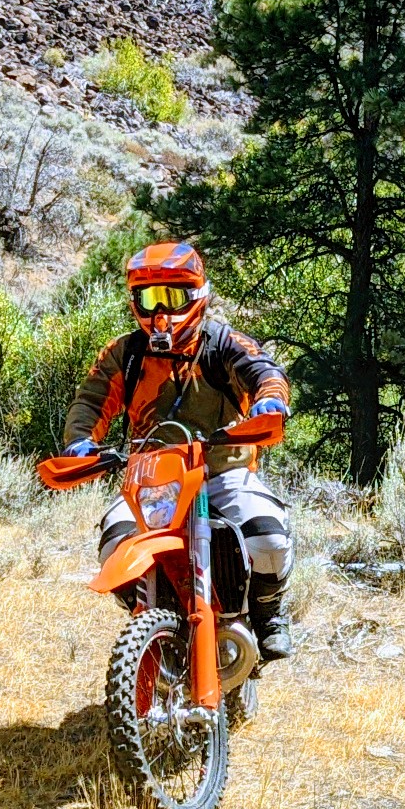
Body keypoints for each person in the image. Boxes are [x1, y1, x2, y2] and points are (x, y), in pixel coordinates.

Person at [62, 241, 295, 661]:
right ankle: (149, 624)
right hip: (153, 477)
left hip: (222, 471)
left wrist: (270, 400)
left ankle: (267, 614)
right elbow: (92, 400)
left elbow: (264, 371)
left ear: (196, 295)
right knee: (114, 546)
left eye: (171, 297)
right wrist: (81, 443)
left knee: (269, 538)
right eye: (149, 298)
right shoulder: (125, 354)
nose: (159, 312)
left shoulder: (224, 344)